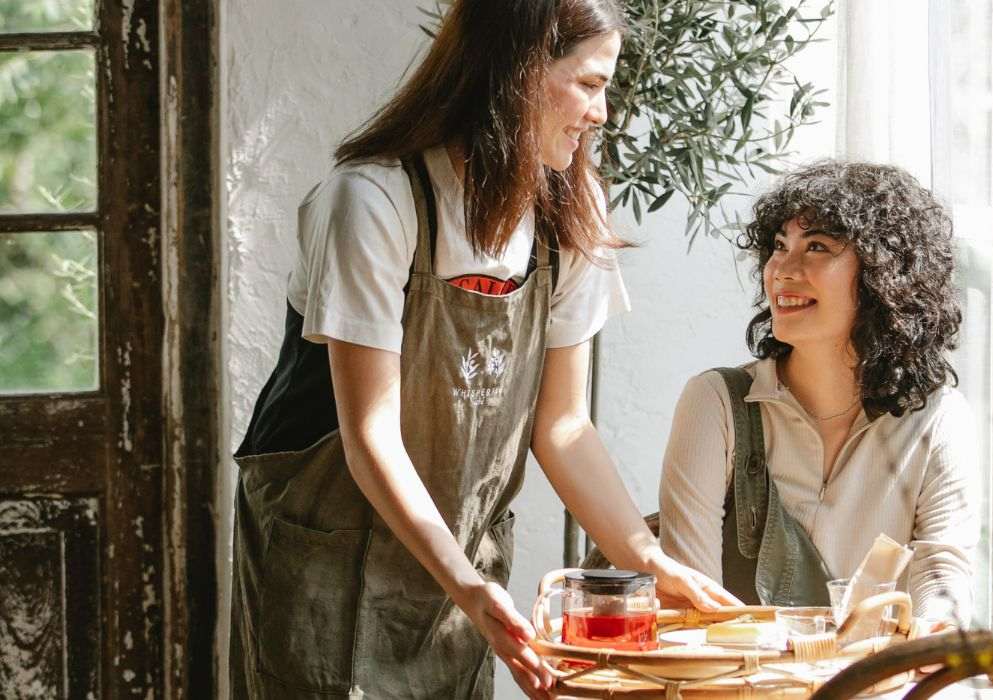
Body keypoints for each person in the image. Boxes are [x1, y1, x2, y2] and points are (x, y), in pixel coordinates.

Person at [229, 2, 737, 698]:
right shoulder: (373, 202)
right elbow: (370, 434)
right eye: (589, 84)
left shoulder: (572, 213)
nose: (603, 112)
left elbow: (561, 427)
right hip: (327, 555)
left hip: (452, 574)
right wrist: (467, 586)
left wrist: (651, 562)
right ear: (518, 71)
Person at [658, 161, 979, 627]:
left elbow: (942, 570)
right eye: (779, 247)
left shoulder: (937, 417)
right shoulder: (716, 403)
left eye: (816, 248)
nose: (783, 271)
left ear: (881, 274)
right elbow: (693, 599)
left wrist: (936, 635)